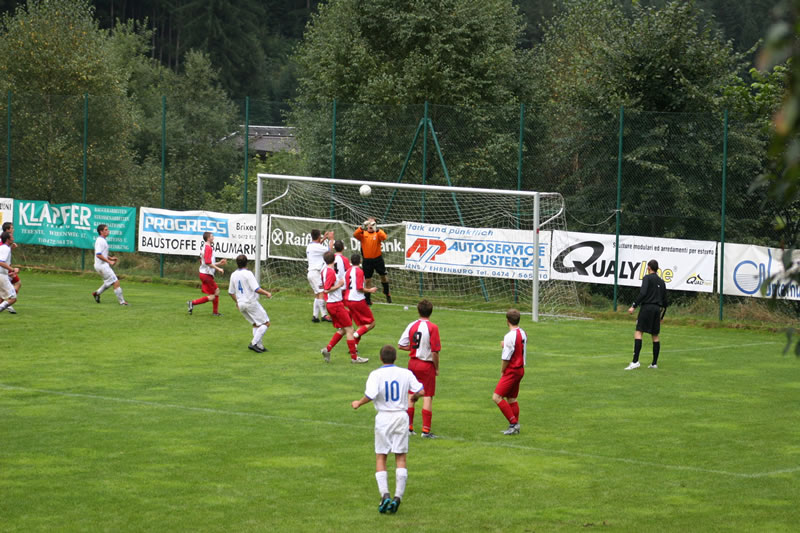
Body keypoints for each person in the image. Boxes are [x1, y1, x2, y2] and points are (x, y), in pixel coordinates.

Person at [351, 345, 424, 514]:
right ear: (396, 358)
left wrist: (358, 403)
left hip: (384, 417)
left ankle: (385, 495)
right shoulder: (406, 373)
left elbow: (371, 394)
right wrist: (414, 397)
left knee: (381, 455)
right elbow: (421, 390)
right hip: (401, 416)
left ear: (381, 358)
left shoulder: (376, 374)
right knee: (400, 456)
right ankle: (398, 497)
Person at [398, 299, 441, 438]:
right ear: (431, 312)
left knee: (411, 393)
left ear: (418, 311)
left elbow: (401, 345)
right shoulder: (433, 327)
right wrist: (436, 367)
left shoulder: (412, 325)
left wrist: (413, 349)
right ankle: (426, 430)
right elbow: (434, 351)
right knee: (427, 396)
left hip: (412, 363)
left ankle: (409, 428)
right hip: (426, 364)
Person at [320, 251, 368, 364]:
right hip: (336, 304)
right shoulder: (331, 272)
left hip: (332, 304)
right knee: (350, 330)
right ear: (334, 260)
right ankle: (354, 358)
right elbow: (326, 289)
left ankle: (327, 350)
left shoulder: (324, 270)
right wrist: (339, 285)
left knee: (343, 329)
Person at [626, 259, 669, 370]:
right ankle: (654, 363)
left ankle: (635, 362)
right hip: (656, 310)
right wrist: (662, 316)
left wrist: (634, 306)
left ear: (649, 267)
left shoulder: (647, 278)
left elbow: (643, 293)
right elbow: (665, 301)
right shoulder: (662, 281)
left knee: (639, 332)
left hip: (647, 308)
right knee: (655, 335)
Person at [228, 254, 272, 353]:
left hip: (241, 304)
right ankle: (253, 343)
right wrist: (267, 293)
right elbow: (256, 289)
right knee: (266, 323)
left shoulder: (233, 275)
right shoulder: (248, 274)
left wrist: (237, 302)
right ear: (247, 263)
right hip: (250, 302)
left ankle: (260, 346)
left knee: (256, 324)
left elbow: (231, 292)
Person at [492, 309, 527, 435]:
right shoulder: (523, 332)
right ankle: (514, 428)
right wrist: (505, 344)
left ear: (507, 321)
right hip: (520, 370)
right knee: (511, 398)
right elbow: (520, 344)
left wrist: (502, 371)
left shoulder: (509, 337)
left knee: (496, 397)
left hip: (512, 370)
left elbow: (506, 358)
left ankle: (513, 423)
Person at [353, 217, 391, 305]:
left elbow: (384, 237)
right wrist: (362, 227)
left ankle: (387, 292)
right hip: (367, 261)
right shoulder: (363, 234)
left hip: (378, 259)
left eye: (372, 224)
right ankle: (367, 300)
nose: (370, 225)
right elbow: (355, 235)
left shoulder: (377, 233)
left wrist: (377, 229)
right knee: (367, 280)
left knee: (383, 277)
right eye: (369, 224)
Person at [187, 232, 226, 316]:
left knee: (216, 291)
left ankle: (215, 312)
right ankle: (192, 303)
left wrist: (219, 263)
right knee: (212, 296)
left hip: (204, 274)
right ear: (208, 238)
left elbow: (206, 262)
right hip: (206, 275)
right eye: (212, 236)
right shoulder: (208, 248)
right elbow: (208, 263)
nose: (213, 237)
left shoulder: (204, 247)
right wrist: (218, 268)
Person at [345, 253, 378, 350]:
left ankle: (354, 346)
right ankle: (356, 334)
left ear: (351, 261)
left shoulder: (347, 271)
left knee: (361, 325)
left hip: (349, 300)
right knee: (371, 323)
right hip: (357, 300)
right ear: (360, 261)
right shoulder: (359, 271)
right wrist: (370, 290)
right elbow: (359, 288)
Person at [91, 224, 129, 306]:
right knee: (115, 282)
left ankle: (97, 293)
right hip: (102, 266)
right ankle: (122, 302)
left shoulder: (102, 240)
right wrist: (109, 261)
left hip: (101, 265)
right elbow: (98, 254)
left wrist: (110, 258)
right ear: (101, 232)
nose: (108, 231)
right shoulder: (100, 241)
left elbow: (101, 253)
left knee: (109, 282)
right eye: (106, 230)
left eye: (107, 229)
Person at [307, 228, 334, 323]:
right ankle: (324, 315)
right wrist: (331, 239)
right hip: (315, 273)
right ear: (319, 236)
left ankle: (315, 316)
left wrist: (324, 239)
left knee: (317, 294)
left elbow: (318, 245)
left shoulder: (310, 245)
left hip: (311, 273)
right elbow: (329, 250)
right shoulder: (316, 247)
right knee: (322, 292)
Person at [0, 222, 19, 313]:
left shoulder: (4, 247)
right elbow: (1, 262)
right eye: (11, 237)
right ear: (8, 239)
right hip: (2, 276)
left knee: (2, 297)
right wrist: (12, 269)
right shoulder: (5, 248)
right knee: (13, 298)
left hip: (3, 274)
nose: (13, 238)